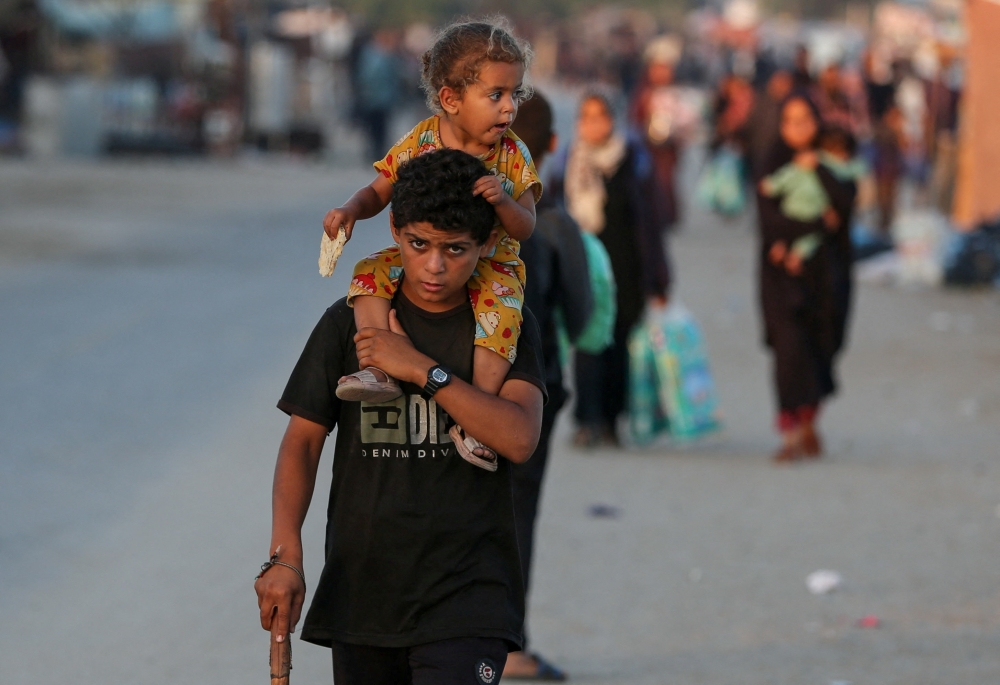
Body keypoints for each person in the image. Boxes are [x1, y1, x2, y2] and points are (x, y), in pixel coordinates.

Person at [255, 149, 547, 685]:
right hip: (365, 591)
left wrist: (421, 370)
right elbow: (302, 442)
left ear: (486, 244)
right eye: (419, 245)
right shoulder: (348, 322)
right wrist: (284, 555)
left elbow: (519, 436)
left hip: (468, 594)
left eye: (455, 250)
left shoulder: (505, 324)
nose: (434, 266)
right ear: (394, 229)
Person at [322, 18, 540, 468]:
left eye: (514, 95)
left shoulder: (513, 155)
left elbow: (525, 228)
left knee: (499, 317)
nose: (509, 110)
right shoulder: (421, 139)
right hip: (426, 260)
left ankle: (474, 412)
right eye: (496, 95)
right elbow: (378, 191)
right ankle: (379, 366)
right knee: (368, 271)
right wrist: (348, 211)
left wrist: (502, 201)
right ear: (450, 99)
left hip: (490, 267)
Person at [502, 92, 592, 681]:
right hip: (531, 396)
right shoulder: (554, 226)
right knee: (517, 516)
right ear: (553, 146)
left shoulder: (459, 212)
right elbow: (583, 317)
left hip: (451, 391)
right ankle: (509, 647)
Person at [549, 92, 671, 447]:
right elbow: (553, 217)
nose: (593, 123)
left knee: (618, 346)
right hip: (583, 267)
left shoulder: (633, 160)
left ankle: (613, 420)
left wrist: (659, 277)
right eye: (586, 116)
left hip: (626, 268)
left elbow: (650, 223)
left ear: (612, 119)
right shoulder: (567, 163)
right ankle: (588, 419)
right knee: (588, 344)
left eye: (600, 115)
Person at [756, 96, 844, 463]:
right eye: (790, 121)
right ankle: (790, 429)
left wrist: (820, 172)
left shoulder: (831, 159)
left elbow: (845, 204)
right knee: (788, 350)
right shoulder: (771, 163)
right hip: (780, 277)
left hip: (826, 275)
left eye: (805, 119)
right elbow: (769, 221)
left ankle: (810, 419)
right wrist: (817, 224)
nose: (798, 128)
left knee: (823, 346)